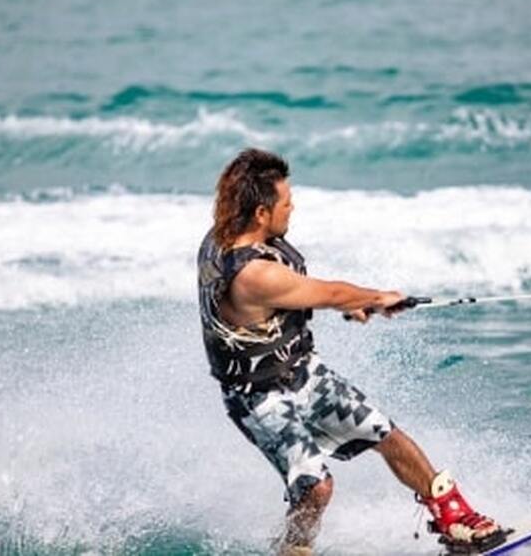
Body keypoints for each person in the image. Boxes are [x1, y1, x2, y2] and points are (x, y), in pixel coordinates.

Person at [197, 148, 505, 555]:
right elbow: (327, 292)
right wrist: (377, 297)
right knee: (316, 488)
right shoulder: (251, 273)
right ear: (260, 213)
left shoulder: (236, 234)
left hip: (302, 372)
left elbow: (293, 298)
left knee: (386, 435)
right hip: (258, 397)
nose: (292, 208)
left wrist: (354, 305)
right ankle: (292, 551)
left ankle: (453, 517)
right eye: (286, 202)